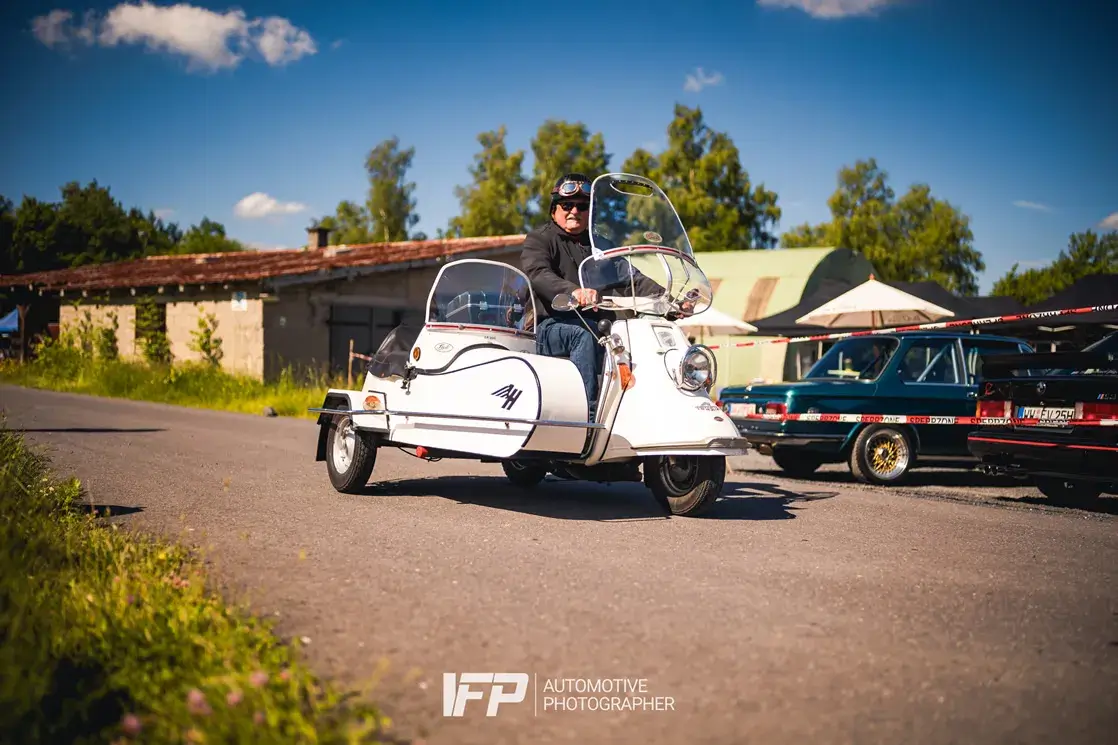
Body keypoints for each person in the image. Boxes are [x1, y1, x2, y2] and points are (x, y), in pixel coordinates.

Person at [521, 173, 668, 420]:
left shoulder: (600, 246)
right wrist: (573, 291)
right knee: (582, 335)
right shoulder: (540, 239)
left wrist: (667, 298)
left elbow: (630, 278)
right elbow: (538, 273)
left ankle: (642, 414)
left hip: (597, 326)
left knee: (636, 337)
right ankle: (587, 417)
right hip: (549, 325)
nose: (574, 211)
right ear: (554, 210)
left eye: (582, 206)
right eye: (567, 205)